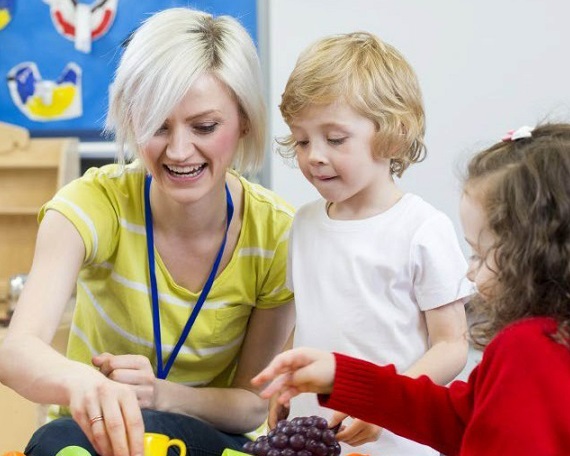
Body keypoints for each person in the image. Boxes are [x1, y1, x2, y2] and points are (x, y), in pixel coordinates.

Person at [0, 7, 295, 456]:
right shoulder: (92, 204)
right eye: (157, 124)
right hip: (95, 437)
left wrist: (160, 395)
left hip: (211, 439)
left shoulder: (276, 235)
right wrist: (85, 384)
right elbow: (17, 350)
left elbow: (252, 405)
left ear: (245, 121)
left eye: (205, 126)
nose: (178, 150)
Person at [253, 123, 570, 455]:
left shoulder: (526, 348)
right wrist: (343, 377)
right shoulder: (544, 343)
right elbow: (459, 420)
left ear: (535, 255)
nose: (470, 271)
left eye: (480, 254)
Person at [271, 31, 470, 455]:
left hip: (398, 441)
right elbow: (305, 322)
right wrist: (284, 383)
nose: (314, 156)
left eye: (335, 139)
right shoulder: (304, 223)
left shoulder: (422, 228)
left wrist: (383, 406)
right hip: (318, 435)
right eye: (302, 140)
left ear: (394, 137)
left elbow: (452, 345)